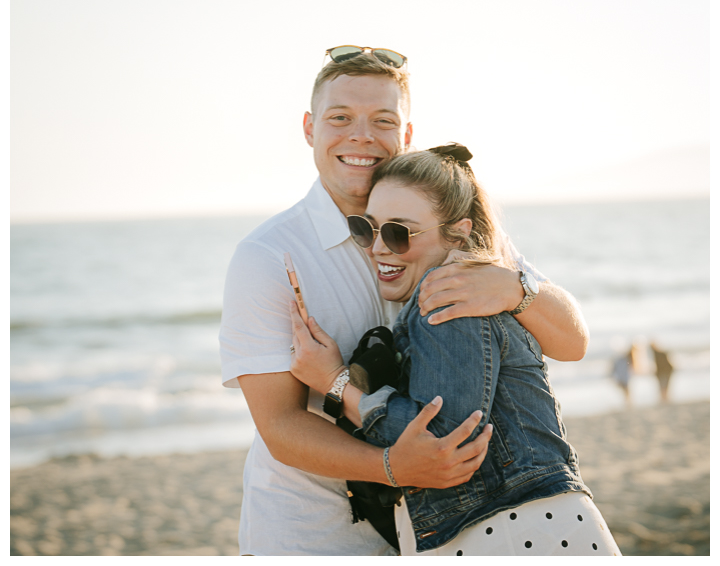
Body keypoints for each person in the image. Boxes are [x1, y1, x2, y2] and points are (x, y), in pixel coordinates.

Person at [219, 48, 590, 556]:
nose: (361, 136)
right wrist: (392, 466)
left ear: (407, 135)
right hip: (312, 534)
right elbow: (280, 426)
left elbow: (572, 341)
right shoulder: (268, 256)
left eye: (383, 121)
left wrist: (515, 289)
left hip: (440, 534)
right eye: (340, 118)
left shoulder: (450, 229)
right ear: (309, 128)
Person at [289, 145, 620, 556]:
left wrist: (335, 383)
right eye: (365, 228)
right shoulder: (468, 281)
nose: (377, 247)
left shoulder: (449, 295)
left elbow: (440, 442)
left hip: (511, 531)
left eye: (398, 232)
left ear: (459, 231)